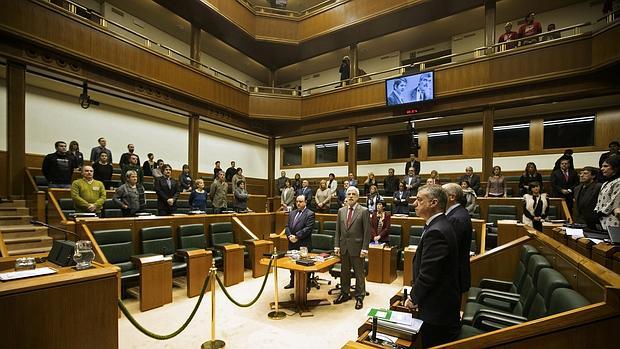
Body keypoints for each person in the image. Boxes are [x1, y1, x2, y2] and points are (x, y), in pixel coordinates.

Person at [405, 185, 460, 348]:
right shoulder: (438, 224)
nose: (414, 203)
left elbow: (429, 275)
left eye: (419, 200)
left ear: (434, 202)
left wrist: (413, 297)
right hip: (438, 304)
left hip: (437, 309)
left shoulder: (437, 231)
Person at [333, 186, 371, 310]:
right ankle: (345, 293)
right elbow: (338, 230)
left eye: (353, 194)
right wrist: (336, 245)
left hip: (358, 248)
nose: (350, 196)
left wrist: (365, 248)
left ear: (357, 197)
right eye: (348, 194)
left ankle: (360, 296)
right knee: (344, 273)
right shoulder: (341, 211)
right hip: (344, 247)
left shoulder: (364, 211)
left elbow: (367, 232)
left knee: (359, 273)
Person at [443, 183, 473, 295]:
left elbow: (448, 251)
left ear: (452, 197)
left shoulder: (456, 218)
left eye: (442, 194)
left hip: (452, 277)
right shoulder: (457, 213)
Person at [284, 195, 315, 289]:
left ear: (305, 202)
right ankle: (292, 281)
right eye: (297, 201)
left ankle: (306, 284)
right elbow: (287, 227)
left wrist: (297, 236)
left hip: (303, 243)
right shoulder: (292, 213)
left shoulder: (310, 214)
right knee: (292, 263)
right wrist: (289, 236)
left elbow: (308, 228)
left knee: (304, 264)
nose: (298, 203)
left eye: (300, 201)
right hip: (292, 242)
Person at [595, 155, 620, 230]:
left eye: (606, 166)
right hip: (602, 220)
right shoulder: (605, 183)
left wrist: (601, 212)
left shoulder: (618, 181)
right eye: (602, 166)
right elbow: (600, 200)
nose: (602, 169)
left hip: (613, 220)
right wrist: (596, 211)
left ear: (615, 168)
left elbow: (613, 200)